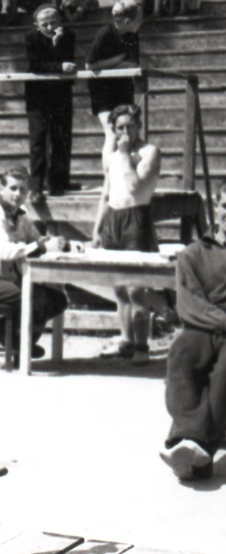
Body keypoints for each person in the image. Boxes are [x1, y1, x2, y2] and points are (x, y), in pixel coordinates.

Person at [92, 103, 173, 365]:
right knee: (118, 288)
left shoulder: (150, 152)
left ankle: (141, 346)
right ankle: (126, 340)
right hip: (113, 220)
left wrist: (126, 155)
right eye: (120, 128)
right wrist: (96, 229)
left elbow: (135, 186)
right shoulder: (115, 155)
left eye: (130, 125)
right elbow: (106, 193)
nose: (126, 131)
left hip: (137, 219)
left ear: (139, 125)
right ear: (114, 131)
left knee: (137, 288)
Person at [0, 166, 69, 361]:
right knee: (34, 298)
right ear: (0, 188)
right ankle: (13, 339)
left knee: (57, 299)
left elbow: (34, 239)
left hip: (6, 280)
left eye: (22, 190)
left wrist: (58, 243)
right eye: (12, 188)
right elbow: (3, 251)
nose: (17, 194)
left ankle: (14, 339)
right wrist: (42, 247)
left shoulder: (21, 213)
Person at [160, 181, 226, 481]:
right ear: (217, 207)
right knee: (182, 351)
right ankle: (191, 444)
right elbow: (189, 306)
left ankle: (193, 447)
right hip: (203, 328)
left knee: (224, 370)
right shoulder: (192, 255)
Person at [24, 4, 78, 209]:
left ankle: (58, 183)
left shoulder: (69, 36)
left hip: (61, 95)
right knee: (38, 141)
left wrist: (57, 44)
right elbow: (35, 65)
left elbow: (69, 63)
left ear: (60, 22)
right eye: (44, 24)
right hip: (38, 97)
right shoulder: (31, 38)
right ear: (37, 26)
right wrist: (57, 63)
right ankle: (36, 187)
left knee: (62, 138)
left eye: (53, 22)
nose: (49, 27)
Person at [85, 0, 143, 141]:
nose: (142, 22)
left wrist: (119, 64)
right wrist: (117, 60)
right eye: (140, 19)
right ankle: (109, 163)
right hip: (103, 90)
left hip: (123, 87)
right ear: (128, 21)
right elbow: (90, 65)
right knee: (111, 133)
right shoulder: (105, 33)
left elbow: (133, 64)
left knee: (128, 134)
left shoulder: (132, 35)